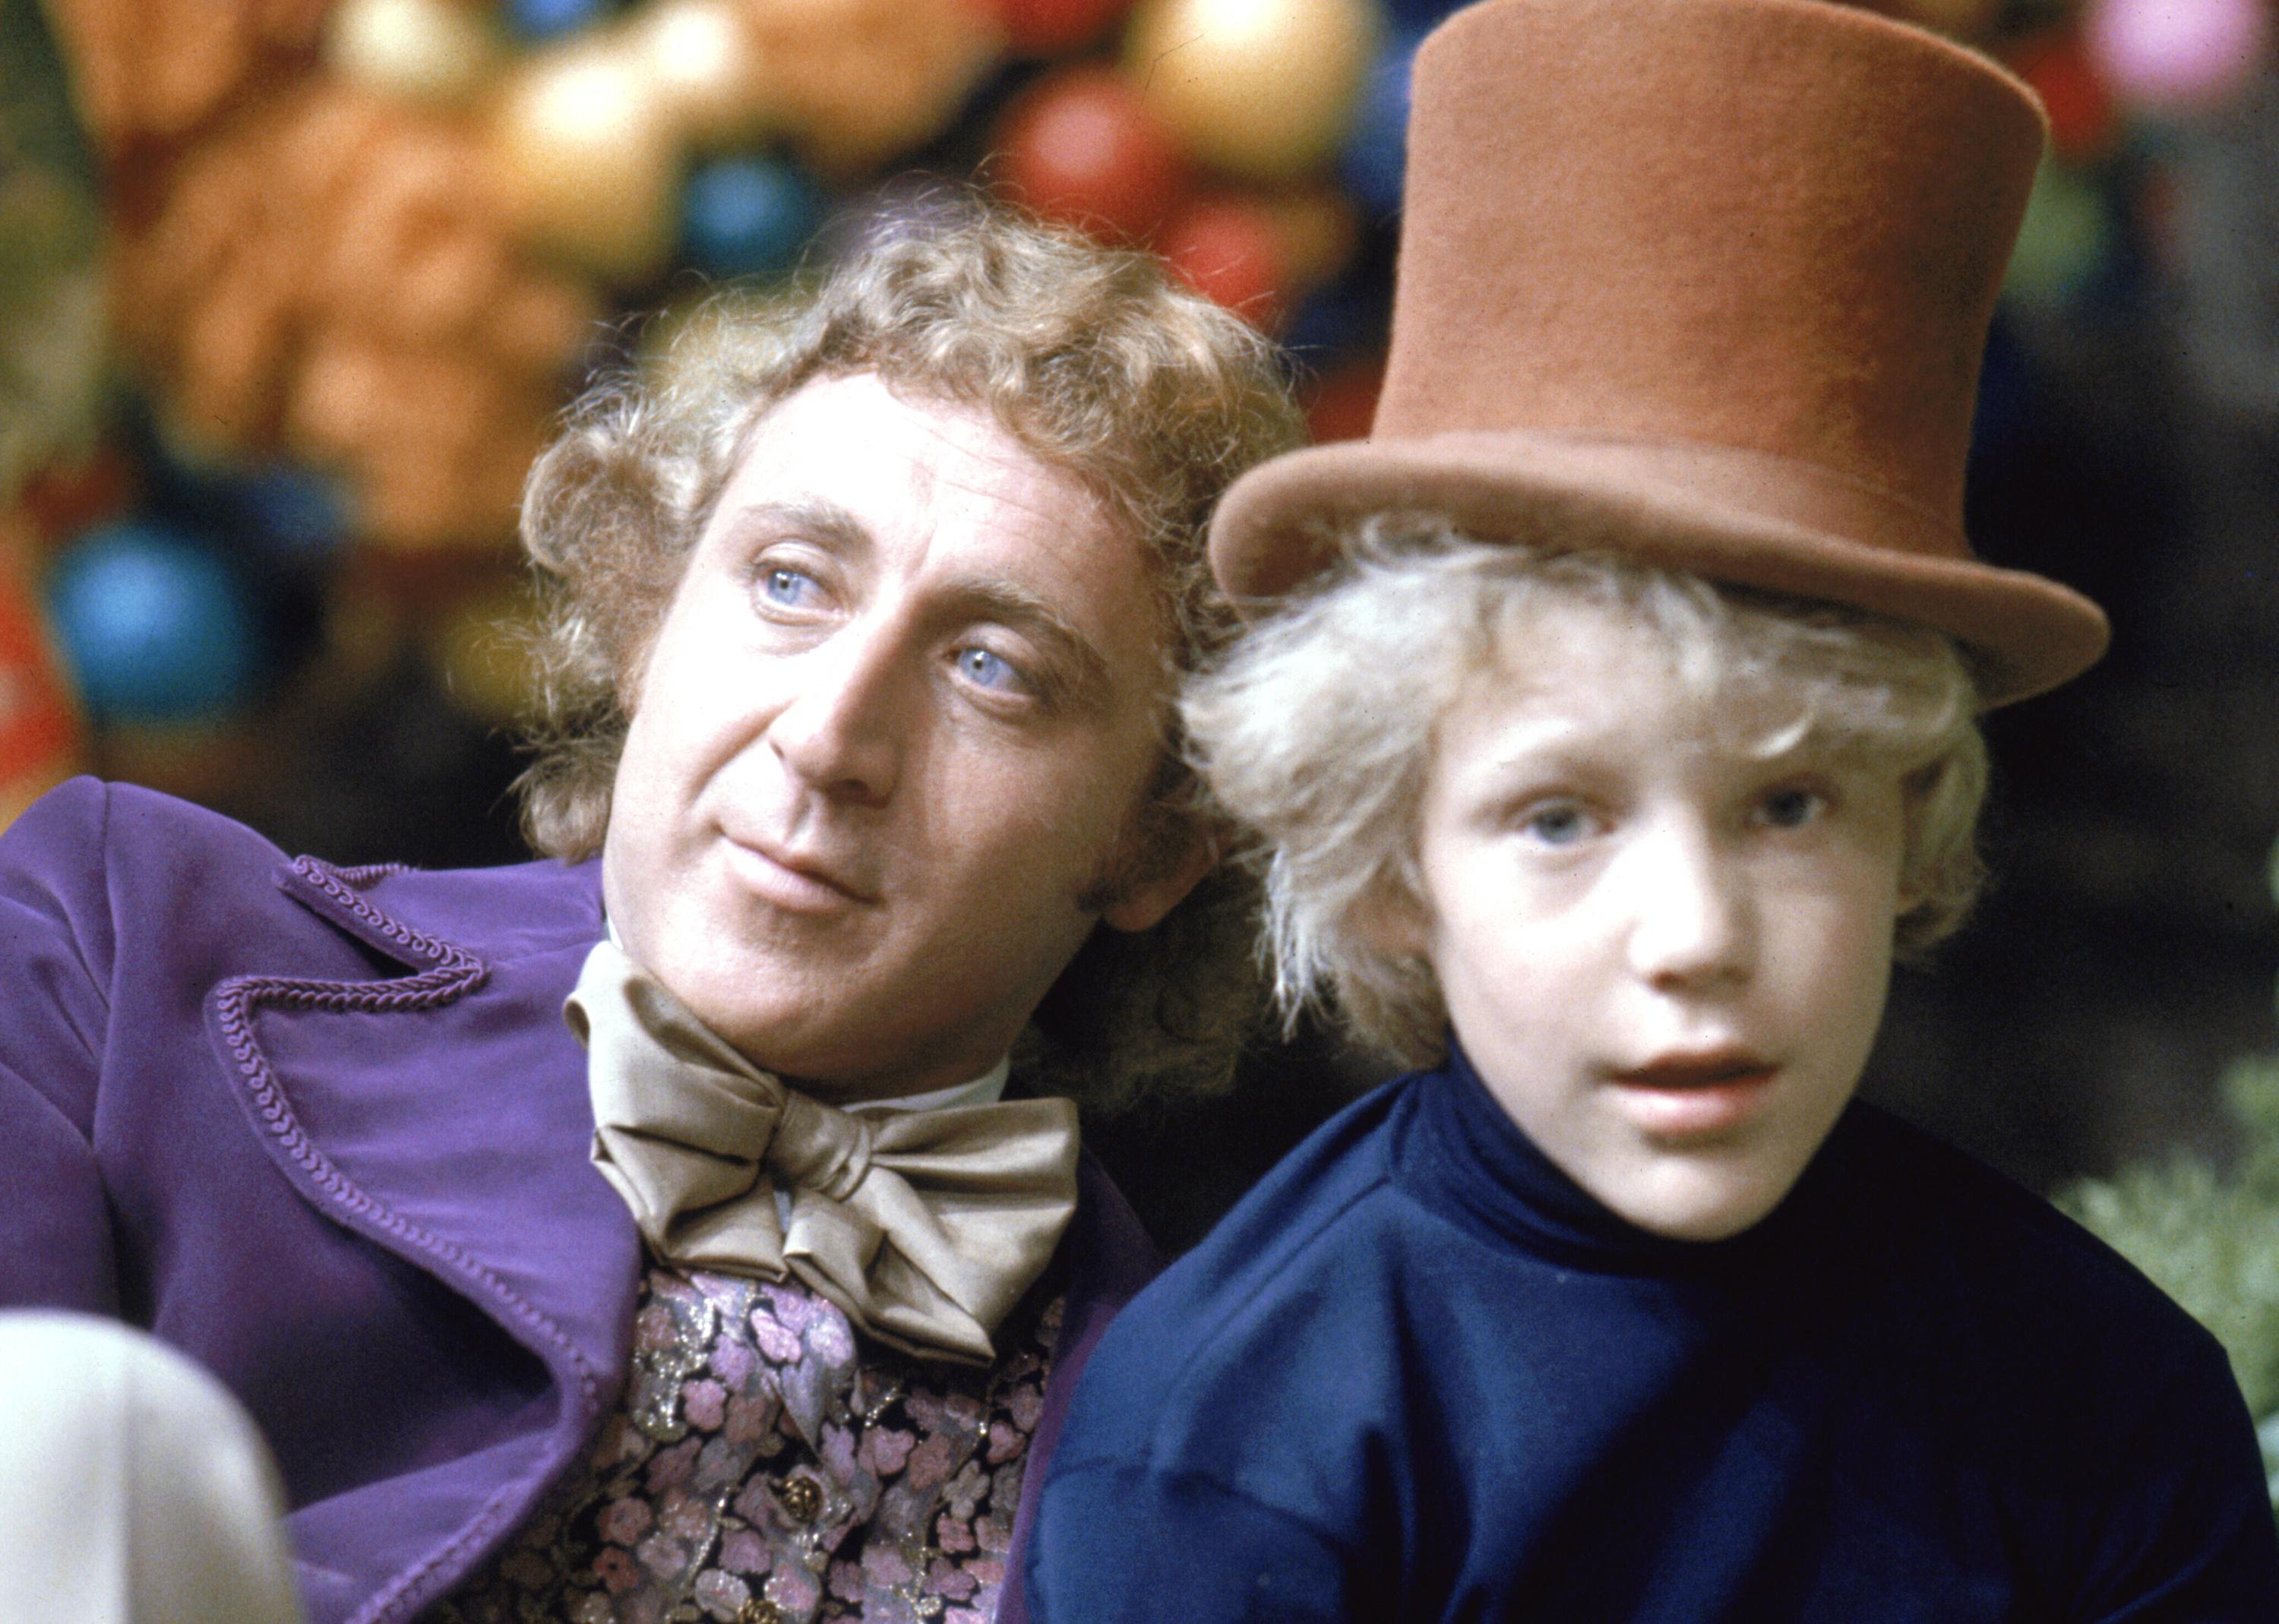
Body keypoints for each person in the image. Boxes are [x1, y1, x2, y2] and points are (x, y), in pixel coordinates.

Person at [1023, 0, 2279, 1619]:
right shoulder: (1228, 1448)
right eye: (1558, 818)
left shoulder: (2105, 1407)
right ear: (1393, 864)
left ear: (1912, 825)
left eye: (1789, 804)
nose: (1693, 938)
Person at [0, 197, 1304, 1624]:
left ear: (1154, 844)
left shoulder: (1212, 1442)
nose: (829, 735)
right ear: (649, 620)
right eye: (790, 583)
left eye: (993, 667)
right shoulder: (114, 946)